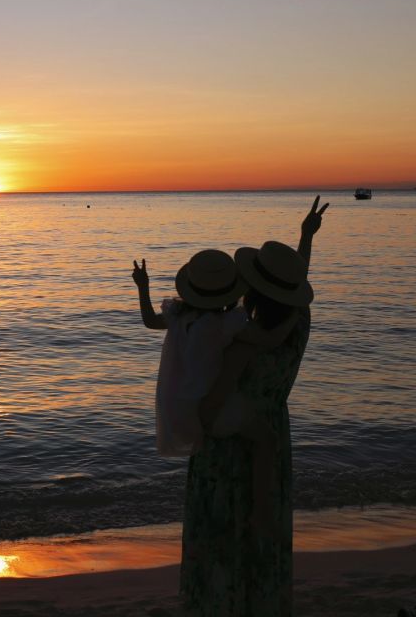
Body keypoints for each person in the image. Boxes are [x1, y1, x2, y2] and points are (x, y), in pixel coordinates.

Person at [180, 196, 329, 617]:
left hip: (228, 452)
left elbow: (211, 411)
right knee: (265, 531)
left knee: (222, 537)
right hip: (274, 435)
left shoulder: (241, 344)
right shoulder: (298, 324)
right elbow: (293, 289)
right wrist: (305, 238)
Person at [132, 249, 298, 534]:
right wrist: (293, 314)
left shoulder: (179, 315)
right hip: (213, 407)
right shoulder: (224, 325)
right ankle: (261, 511)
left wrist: (143, 286)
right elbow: (270, 339)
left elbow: (149, 320)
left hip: (180, 407)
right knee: (266, 439)